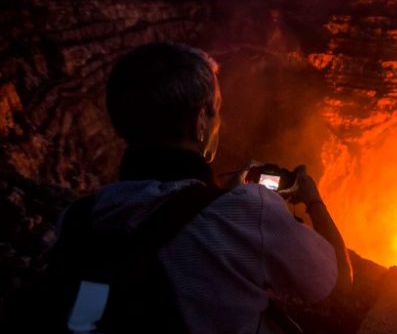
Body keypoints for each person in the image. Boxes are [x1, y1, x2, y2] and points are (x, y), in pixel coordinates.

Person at [55, 42, 352, 333]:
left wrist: (215, 196)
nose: (219, 123)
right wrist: (313, 200)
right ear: (201, 121)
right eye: (217, 110)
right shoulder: (248, 212)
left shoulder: (78, 219)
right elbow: (336, 283)